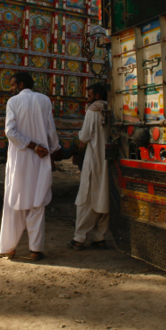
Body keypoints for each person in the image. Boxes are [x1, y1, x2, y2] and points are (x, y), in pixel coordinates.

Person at [0, 71, 60, 261]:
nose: (11, 89)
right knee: (37, 203)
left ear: (21, 85)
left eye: (13, 85)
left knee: (14, 202)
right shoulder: (45, 100)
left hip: (20, 161)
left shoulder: (13, 103)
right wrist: (49, 150)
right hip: (41, 159)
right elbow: (51, 130)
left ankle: (8, 248)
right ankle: (35, 250)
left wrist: (32, 146)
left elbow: (10, 132)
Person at [67, 82, 110, 251]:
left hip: (94, 161)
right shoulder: (111, 108)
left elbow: (84, 136)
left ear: (97, 96)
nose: (88, 100)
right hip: (108, 161)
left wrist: (77, 135)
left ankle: (79, 238)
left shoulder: (93, 110)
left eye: (90, 96)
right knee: (104, 197)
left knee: (85, 199)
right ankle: (100, 237)